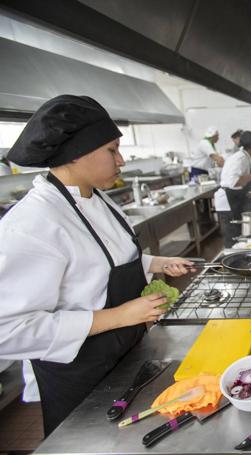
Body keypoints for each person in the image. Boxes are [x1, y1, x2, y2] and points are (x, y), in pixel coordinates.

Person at [0, 95, 194, 436]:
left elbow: (96, 263)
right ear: (77, 152)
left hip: (125, 356)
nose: (121, 160)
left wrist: (156, 262)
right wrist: (119, 316)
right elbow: (8, 330)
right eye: (112, 150)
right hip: (79, 377)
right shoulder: (32, 223)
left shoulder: (96, 197)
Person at [214, 131, 251, 247]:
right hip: (227, 202)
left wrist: (248, 193)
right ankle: (230, 261)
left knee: (238, 234)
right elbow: (234, 182)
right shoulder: (240, 159)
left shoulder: (244, 157)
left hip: (234, 198)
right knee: (232, 237)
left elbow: (239, 183)